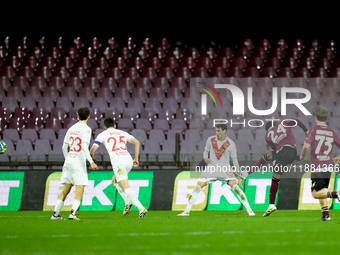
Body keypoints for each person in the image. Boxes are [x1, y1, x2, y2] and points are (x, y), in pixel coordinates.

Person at [178, 124, 255, 216]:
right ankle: (186, 212)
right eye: (216, 131)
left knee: (237, 189)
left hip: (225, 170)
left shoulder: (230, 143)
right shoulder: (210, 140)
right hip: (211, 169)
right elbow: (206, 151)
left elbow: (234, 159)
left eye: (218, 131)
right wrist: (206, 158)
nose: (216, 133)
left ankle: (250, 211)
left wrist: (238, 176)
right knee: (197, 188)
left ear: (224, 131)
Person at [89, 118, 147, 218]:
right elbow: (137, 142)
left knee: (125, 187)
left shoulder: (103, 134)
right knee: (114, 180)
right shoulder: (122, 133)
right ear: (115, 125)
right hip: (128, 160)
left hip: (118, 162)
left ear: (105, 127)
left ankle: (141, 208)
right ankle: (127, 201)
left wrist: (92, 159)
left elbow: (92, 150)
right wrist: (136, 158)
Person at [249, 118, 308, 217]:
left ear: (267, 129)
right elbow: (296, 119)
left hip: (283, 151)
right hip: (293, 151)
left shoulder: (267, 135)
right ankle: (296, 159)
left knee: (274, 177)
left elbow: (276, 150)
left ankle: (271, 204)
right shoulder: (284, 122)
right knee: (270, 160)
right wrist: (306, 130)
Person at [51, 107, 98, 220]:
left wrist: (68, 159)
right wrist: (91, 162)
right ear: (88, 117)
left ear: (77, 116)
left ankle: (55, 215)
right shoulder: (86, 129)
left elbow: (63, 147)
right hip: (78, 163)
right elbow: (83, 147)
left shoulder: (71, 128)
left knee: (65, 190)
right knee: (80, 188)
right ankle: (72, 214)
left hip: (68, 161)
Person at [300, 106, 340, 221]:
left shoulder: (313, 130)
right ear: (327, 117)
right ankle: (325, 215)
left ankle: (336, 194)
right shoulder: (332, 132)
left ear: (315, 116)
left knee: (315, 194)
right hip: (328, 167)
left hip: (317, 167)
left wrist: (302, 155)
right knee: (321, 191)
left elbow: (306, 146)